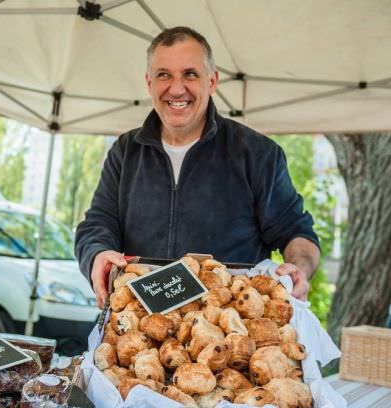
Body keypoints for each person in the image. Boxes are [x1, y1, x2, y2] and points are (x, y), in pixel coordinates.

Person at [75, 26, 320, 308]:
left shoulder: (257, 153)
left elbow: (297, 232)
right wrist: (97, 254)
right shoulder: (126, 151)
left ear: (212, 81)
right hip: (136, 327)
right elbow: (97, 224)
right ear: (149, 82)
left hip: (227, 335)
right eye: (164, 74)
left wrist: (298, 268)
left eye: (190, 74)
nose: (177, 88)